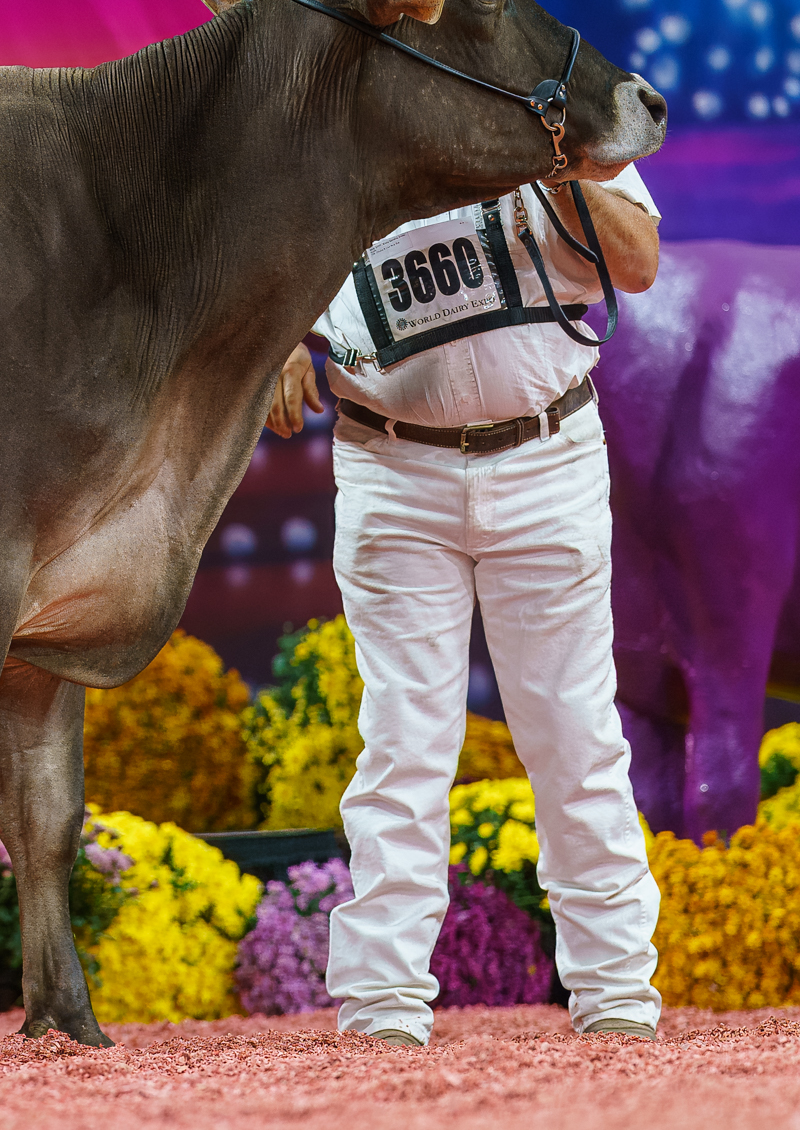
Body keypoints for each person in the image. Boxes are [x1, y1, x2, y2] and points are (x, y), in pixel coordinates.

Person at [265, 166, 663, 1046]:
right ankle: (382, 1003)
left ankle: (616, 992)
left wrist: (559, 159)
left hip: (546, 453)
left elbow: (638, 262)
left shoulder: (545, 104)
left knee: (574, 732)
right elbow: (248, 234)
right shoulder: (334, 115)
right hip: (391, 464)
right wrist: (277, 335)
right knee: (403, 738)